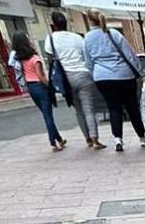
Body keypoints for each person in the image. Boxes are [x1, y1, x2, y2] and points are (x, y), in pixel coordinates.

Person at [83, 9, 145, 153]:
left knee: (113, 108)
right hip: (124, 75)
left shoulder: (87, 38)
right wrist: (141, 72)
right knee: (132, 108)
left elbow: (88, 62)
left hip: (103, 78)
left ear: (89, 20)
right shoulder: (114, 34)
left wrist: (96, 75)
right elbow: (130, 54)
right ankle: (142, 138)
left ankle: (118, 139)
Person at [45, 11, 105, 149]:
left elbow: (50, 60)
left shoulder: (50, 39)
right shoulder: (77, 37)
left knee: (78, 110)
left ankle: (87, 139)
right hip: (83, 75)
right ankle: (95, 139)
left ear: (53, 24)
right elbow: (86, 56)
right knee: (89, 108)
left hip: (66, 78)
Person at [11, 31, 65, 152]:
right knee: (48, 117)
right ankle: (53, 143)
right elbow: (40, 76)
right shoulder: (35, 59)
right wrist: (51, 86)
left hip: (31, 88)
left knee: (45, 114)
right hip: (40, 86)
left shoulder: (19, 60)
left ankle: (59, 139)